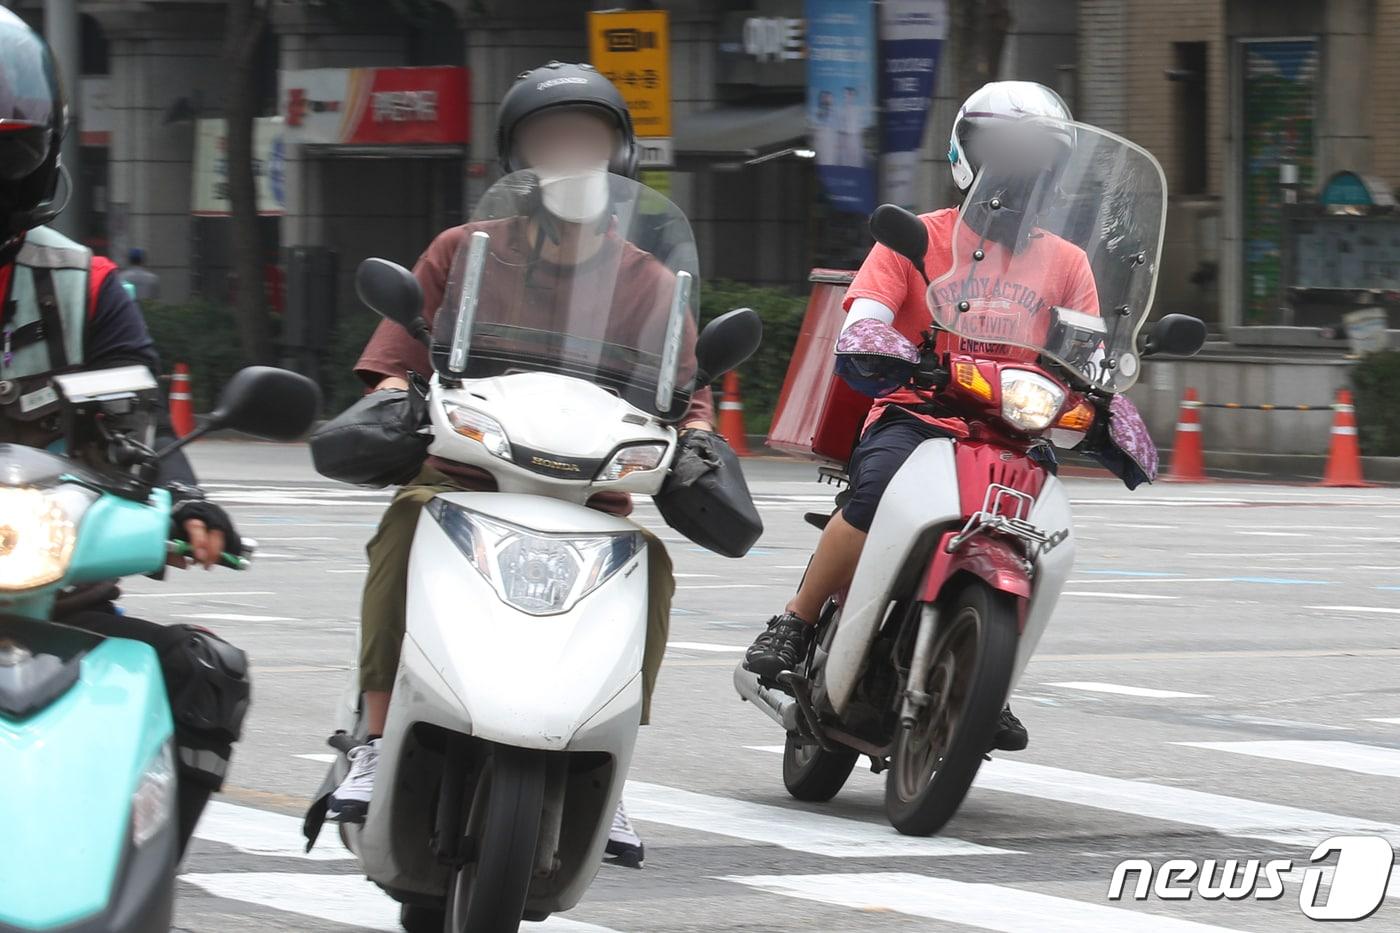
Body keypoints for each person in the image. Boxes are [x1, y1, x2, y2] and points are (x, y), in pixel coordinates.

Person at [325, 62, 715, 871]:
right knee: (404, 522)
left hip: (590, 489)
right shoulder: (462, 251)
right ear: (519, 158)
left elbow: (688, 387)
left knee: (652, 566)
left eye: (587, 138)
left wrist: (701, 439)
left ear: (619, 156)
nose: (570, 153)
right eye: (550, 139)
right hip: (466, 474)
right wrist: (399, 395)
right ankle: (372, 729)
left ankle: (607, 765)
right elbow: (398, 356)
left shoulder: (648, 278)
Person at [744, 81, 1099, 754]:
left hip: (1015, 433)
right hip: (920, 412)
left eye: (1035, 160)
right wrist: (881, 340)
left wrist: (1108, 397)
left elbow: (1088, 352)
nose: (1019, 172)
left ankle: (986, 672)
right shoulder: (916, 238)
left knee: (1041, 540)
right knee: (873, 495)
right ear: (966, 155)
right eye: (1003, 153)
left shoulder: (1070, 263)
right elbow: (867, 316)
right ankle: (795, 619)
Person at [0, 9, 247, 849]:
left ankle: (139, 880)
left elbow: (134, 428)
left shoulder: (85, 286)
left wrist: (186, 504)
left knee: (204, 673)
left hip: (53, 599)